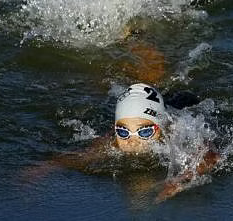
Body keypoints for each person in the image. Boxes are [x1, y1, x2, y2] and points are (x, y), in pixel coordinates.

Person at [22, 83, 220, 203]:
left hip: (185, 102)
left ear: (160, 128)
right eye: (123, 131)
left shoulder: (180, 130)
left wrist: (180, 181)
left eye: (144, 131)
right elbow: (80, 156)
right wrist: (43, 168)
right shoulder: (113, 140)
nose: (132, 140)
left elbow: (212, 156)